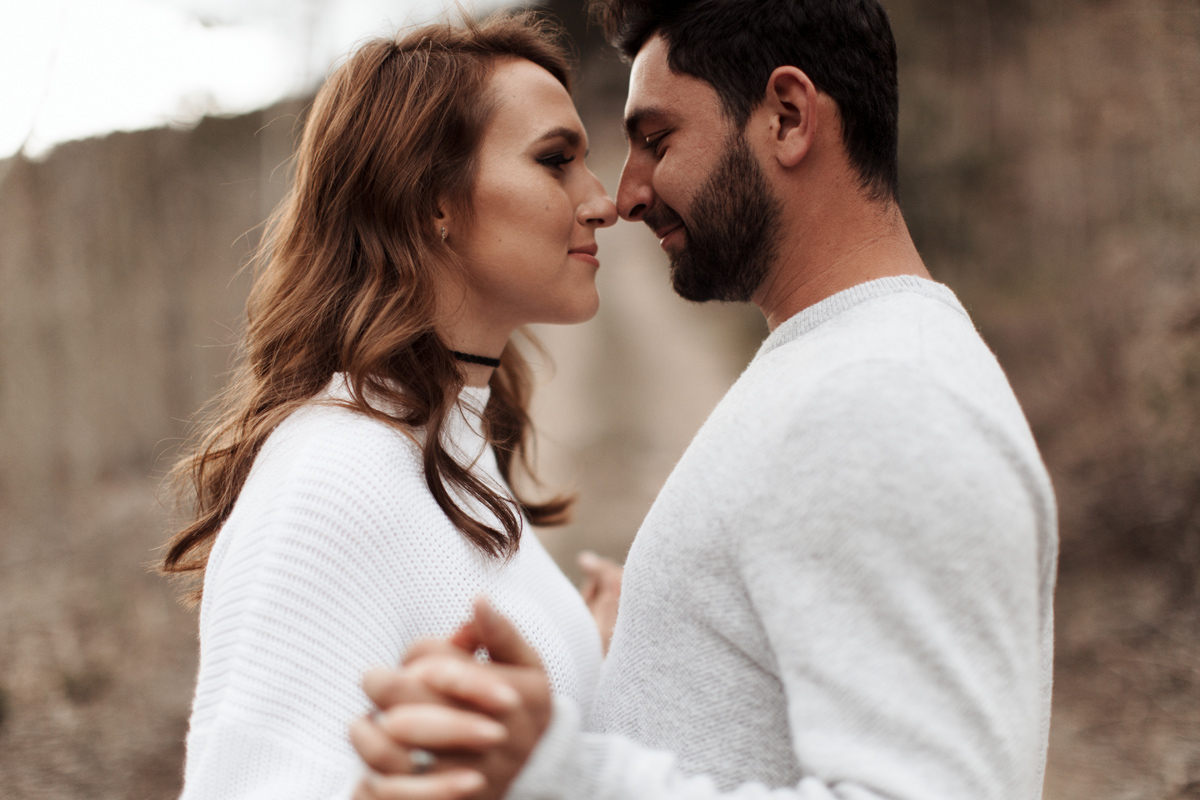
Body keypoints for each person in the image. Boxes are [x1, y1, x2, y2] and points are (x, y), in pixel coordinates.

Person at [351, 1, 1059, 799]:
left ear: (788, 118)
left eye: (656, 141)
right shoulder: (842, 365)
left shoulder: (877, 399)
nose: (626, 194)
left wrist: (561, 776)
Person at [159, 12, 623, 799]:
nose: (602, 202)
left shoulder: (445, 441)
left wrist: (588, 658)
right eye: (556, 162)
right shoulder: (330, 480)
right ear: (430, 202)